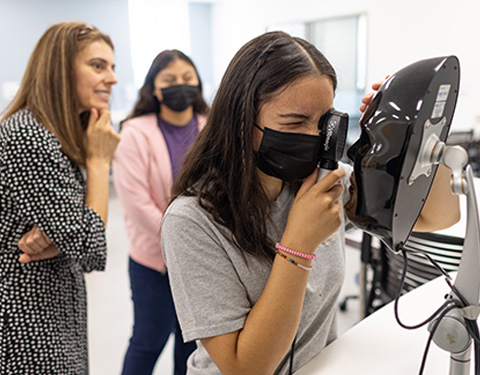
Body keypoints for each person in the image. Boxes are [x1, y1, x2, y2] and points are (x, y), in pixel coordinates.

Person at [161, 31, 460, 375]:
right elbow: (246, 368)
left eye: (323, 123)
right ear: (241, 121)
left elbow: (436, 216)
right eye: (295, 121)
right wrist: (298, 245)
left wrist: (422, 137)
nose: (313, 137)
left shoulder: (322, 183)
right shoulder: (192, 221)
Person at [0, 22, 119, 374]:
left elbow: (78, 233)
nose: (111, 78)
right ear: (60, 69)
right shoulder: (28, 135)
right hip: (25, 324)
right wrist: (99, 162)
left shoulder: (55, 135)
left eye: (113, 67)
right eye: (98, 66)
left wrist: (61, 234)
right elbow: (91, 245)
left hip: (51, 311)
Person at [112, 49, 208, 375]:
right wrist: (180, 241)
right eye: (169, 80)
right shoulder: (135, 132)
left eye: (186, 79)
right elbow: (137, 203)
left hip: (203, 261)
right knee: (147, 341)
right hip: (154, 263)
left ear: (198, 84)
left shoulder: (212, 129)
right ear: (155, 88)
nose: (179, 86)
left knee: (190, 343)